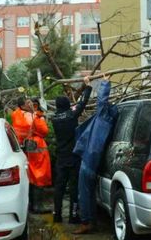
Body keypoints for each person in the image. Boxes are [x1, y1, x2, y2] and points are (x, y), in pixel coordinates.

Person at [72, 75, 118, 235]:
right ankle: (91, 222)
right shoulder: (107, 122)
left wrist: (104, 83)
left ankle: (86, 222)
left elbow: (102, 101)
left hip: (89, 161)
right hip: (92, 160)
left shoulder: (104, 119)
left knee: (84, 193)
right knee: (89, 193)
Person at [51, 76, 93, 224]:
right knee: (74, 188)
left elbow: (74, 107)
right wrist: (87, 86)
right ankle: (73, 216)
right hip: (74, 156)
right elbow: (83, 103)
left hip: (61, 158)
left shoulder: (54, 118)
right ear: (68, 104)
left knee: (59, 187)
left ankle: (57, 215)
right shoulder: (71, 115)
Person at [11, 97, 52, 213]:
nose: (31, 104)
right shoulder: (31, 116)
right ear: (23, 106)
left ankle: (30, 205)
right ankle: (38, 206)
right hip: (36, 147)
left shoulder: (16, 114)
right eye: (28, 103)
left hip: (25, 147)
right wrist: (40, 116)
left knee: (30, 175)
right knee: (39, 174)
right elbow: (44, 131)